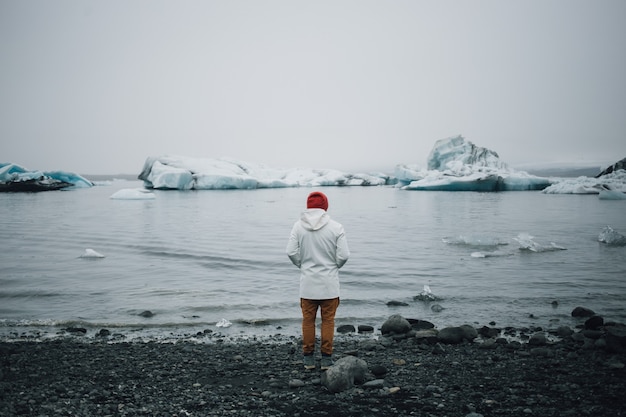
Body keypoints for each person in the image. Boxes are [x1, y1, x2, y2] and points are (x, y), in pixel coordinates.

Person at [286, 191, 350, 370]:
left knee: (308, 320)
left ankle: (308, 359)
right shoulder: (336, 227)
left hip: (307, 284)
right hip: (329, 284)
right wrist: (334, 266)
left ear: (308, 206)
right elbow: (344, 255)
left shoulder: (298, 227)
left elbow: (291, 252)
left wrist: (302, 265)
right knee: (328, 321)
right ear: (325, 206)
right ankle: (326, 359)